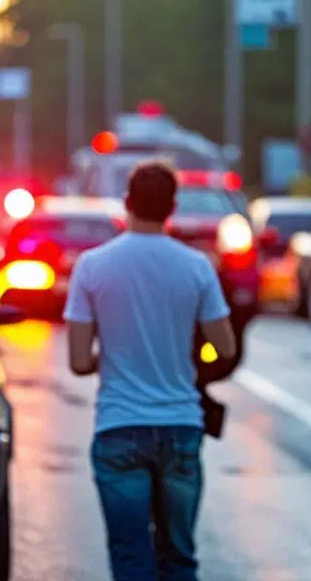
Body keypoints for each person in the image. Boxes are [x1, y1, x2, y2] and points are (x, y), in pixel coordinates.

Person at [63, 160, 237, 580]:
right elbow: (225, 347)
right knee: (178, 557)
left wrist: (116, 350)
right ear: (172, 206)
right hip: (180, 425)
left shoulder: (91, 266)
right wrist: (187, 362)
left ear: (127, 203)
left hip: (119, 428)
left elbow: (79, 361)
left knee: (131, 558)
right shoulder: (197, 267)